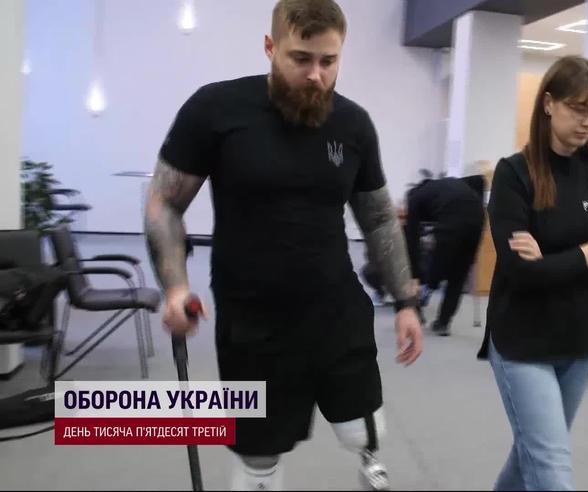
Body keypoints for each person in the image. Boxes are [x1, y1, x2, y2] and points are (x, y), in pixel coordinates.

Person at [143, 1, 423, 490]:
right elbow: (164, 202)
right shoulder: (216, 109)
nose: (316, 75)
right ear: (270, 47)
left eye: (329, 61)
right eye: (301, 59)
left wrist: (405, 301)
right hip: (253, 321)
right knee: (259, 456)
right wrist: (175, 288)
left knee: (364, 432)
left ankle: (368, 464)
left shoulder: (353, 124)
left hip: (336, 310)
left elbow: (378, 217)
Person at [477, 56, 588, 491]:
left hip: (581, 337)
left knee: (533, 453)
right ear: (548, 103)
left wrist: (549, 260)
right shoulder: (514, 173)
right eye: (578, 109)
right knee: (550, 463)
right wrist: (587, 252)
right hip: (522, 339)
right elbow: (519, 273)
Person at [404, 175, 485, 336]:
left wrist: (414, 276)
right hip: (478, 218)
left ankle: (423, 296)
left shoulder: (414, 199)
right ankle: (443, 323)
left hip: (453, 218)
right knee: (458, 275)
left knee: (436, 264)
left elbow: (411, 242)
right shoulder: (441, 187)